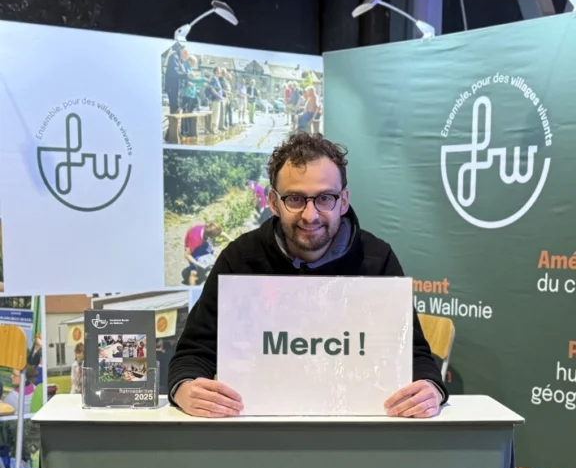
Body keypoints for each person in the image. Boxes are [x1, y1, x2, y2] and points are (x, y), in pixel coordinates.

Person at [169, 132, 448, 419]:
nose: (310, 215)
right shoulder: (240, 259)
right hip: (259, 429)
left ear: (344, 201)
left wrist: (431, 389)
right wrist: (185, 389)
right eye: (295, 199)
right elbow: (193, 353)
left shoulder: (377, 259)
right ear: (274, 203)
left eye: (325, 198)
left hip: (356, 428)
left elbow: (413, 354)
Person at [205, 68, 225, 133]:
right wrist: (219, 96)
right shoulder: (214, 79)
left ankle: (215, 128)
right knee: (215, 114)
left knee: (217, 114)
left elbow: (218, 89)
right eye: (219, 71)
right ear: (216, 72)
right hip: (215, 100)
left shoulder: (217, 79)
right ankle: (213, 129)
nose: (220, 72)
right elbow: (212, 89)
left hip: (218, 100)